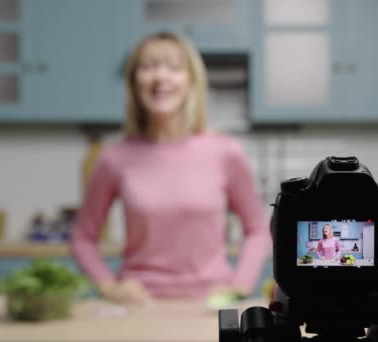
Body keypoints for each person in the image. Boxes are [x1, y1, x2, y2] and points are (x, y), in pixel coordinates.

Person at [69, 32, 270, 305]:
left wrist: (239, 286)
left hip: (210, 306)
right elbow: (83, 237)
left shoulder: (226, 152)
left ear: (190, 82)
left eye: (174, 68)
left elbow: (258, 229)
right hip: (138, 305)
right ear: (134, 82)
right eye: (148, 66)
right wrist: (110, 288)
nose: (160, 77)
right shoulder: (113, 157)